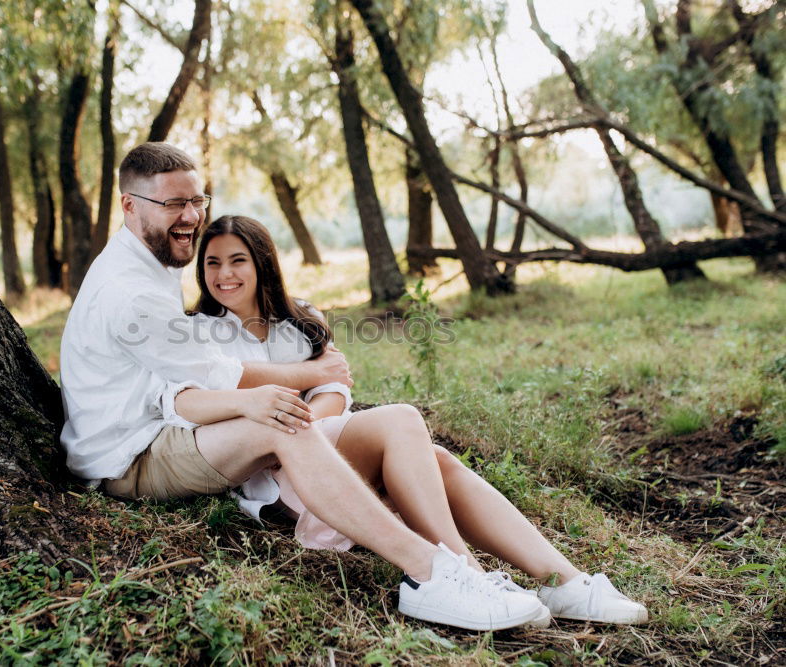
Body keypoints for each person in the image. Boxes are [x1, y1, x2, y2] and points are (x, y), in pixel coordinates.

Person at [58, 142, 643, 632]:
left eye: (195, 200)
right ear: (131, 206)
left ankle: (557, 581)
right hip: (133, 456)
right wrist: (294, 387)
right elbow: (200, 386)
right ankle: (433, 575)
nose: (188, 215)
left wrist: (308, 391)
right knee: (281, 421)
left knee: (415, 437)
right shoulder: (133, 292)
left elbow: (281, 378)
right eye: (173, 204)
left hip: (177, 433)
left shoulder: (154, 270)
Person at [179, 214, 648, 627]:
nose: (224, 274)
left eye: (237, 260)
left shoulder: (300, 318)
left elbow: (336, 386)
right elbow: (221, 394)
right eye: (212, 262)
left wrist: (309, 427)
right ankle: (464, 575)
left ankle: (563, 580)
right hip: (276, 478)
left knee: (437, 459)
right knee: (403, 420)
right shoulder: (201, 332)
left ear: (262, 262)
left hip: (315, 447)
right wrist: (305, 429)